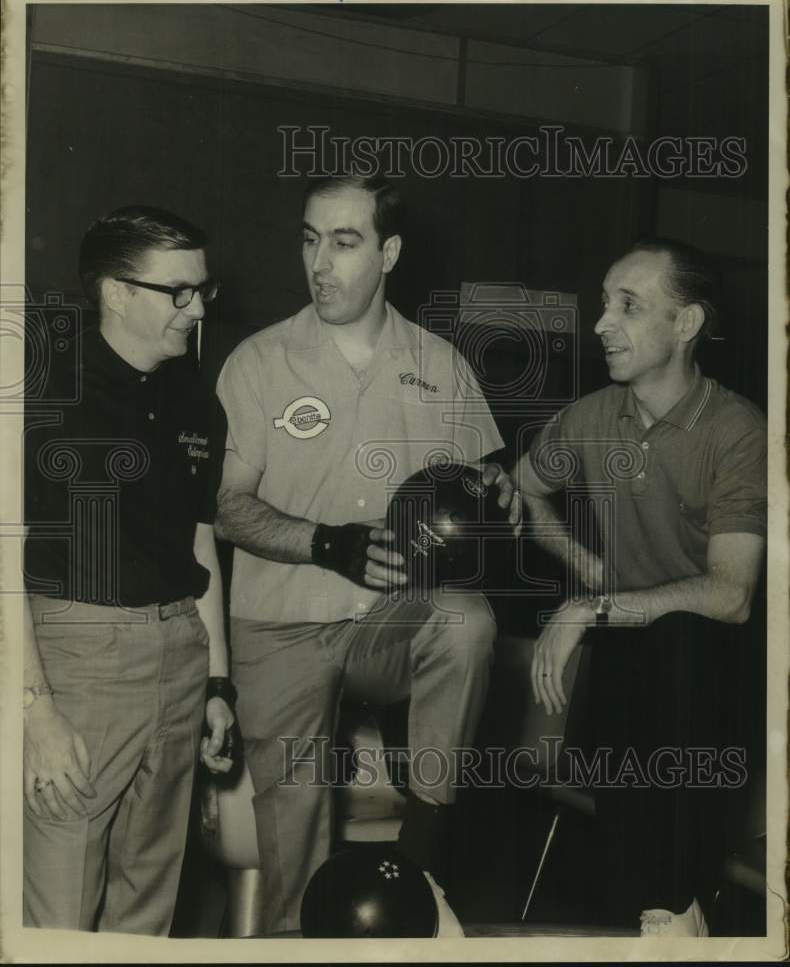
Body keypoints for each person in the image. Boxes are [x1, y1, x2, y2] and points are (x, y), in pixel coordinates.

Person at [215, 174, 518, 936]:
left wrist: (501, 499)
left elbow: (484, 486)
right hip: (280, 623)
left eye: (344, 242)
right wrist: (326, 542)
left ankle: (425, 855)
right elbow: (224, 506)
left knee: (466, 622)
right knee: (298, 861)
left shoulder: (441, 364)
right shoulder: (258, 361)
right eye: (310, 240)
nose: (321, 262)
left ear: (388, 252)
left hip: (386, 620)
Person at [514, 237, 766, 936]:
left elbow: (733, 594)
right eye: (604, 303)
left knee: (679, 638)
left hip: (719, 683)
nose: (601, 323)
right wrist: (582, 562)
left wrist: (589, 605)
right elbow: (523, 491)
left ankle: (671, 907)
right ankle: (667, 911)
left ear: (685, 325)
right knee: (634, 661)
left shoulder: (740, 431)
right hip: (627, 681)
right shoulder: (591, 417)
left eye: (629, 306)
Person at [23, 206, 236, 935]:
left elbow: (200, 544)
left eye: (203, 290)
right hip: (79, 660)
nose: (198, 307)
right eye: (178, 292)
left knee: (148, 907)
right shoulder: (39, 387)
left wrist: (217, 685)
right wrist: (34, 711)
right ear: (115, 291)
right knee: (59, 911)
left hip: (180, 653)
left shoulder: (196, 398)